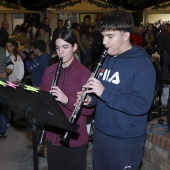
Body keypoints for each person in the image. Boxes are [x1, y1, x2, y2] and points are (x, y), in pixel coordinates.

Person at [78, 10, 156, 170]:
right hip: (100, 135)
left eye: (110, 36)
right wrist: (90, 100)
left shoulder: (142, 65)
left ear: (126, 35)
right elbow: (100, 95)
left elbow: (141, 105)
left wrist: (103, 92)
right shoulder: (107, 58)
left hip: (124, 141)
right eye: (103, 36)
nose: (104, 42)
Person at [40, 29, 94, 170]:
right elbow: (42, 102)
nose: (60, 52)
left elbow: (89, 111)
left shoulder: (85, 74)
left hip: (74, 138)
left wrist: (66, 100)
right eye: (57, 48)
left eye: (65, 47)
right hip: (53, 136)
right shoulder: (49, 71)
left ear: (75, 47)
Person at [0, 44, 13, 138]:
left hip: (2, 84)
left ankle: (2, 130)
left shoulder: (4, 51)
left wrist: (6, 72)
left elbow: (10, 65)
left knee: (2, 107)